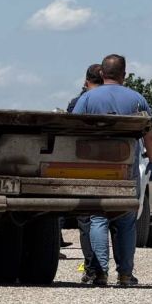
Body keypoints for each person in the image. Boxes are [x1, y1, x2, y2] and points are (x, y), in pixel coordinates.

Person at [73, 54, 152, 286]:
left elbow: (71, 131)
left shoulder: (87, 98)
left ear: (102, 73)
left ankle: (100, 272)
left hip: (94, 169)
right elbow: (150, 135)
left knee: (98, 217)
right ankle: (125, 274)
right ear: (124, 75)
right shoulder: (137, 99)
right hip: (126, 169)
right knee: (126, 219)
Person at [64, 64, 103, 262]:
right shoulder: (118, 99)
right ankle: (122, 268)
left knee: (86, 218)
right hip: (111, 165)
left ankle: (92, 265)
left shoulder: (77, 103)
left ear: (86, 81)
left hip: (83, 165)